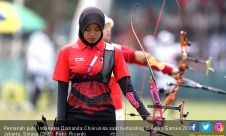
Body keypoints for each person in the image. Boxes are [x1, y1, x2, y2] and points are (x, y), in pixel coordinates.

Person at [52, 7, 153, 136]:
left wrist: (145, 114)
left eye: (97, 29)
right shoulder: (66, 51)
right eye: (88, 29)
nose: (92, 34)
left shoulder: (113, 51)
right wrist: (61, 124)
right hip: (75, 118)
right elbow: (62, 91)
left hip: (105, 118)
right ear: (81, 27)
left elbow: (127, 88)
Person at [103, 15, 179, 120]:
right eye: (104, 27)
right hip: (84, 112)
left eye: (109, 27)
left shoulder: (115, 49)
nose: (108, 30)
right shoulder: (75, 51)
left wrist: (170, 70)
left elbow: (142, 58)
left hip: (114, 111)